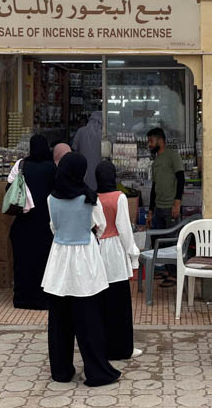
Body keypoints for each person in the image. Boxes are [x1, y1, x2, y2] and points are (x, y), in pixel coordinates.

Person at [41, 152, 120, 387]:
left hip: (59, 260)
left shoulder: (50, 199)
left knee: (59, 320)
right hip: (85, 259)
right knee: (89, 319)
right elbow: (101, 227)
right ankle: (96, 370)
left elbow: (54, 227)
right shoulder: (89, 198)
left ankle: (61, 370)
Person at [94, 161, 142, 361]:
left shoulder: (93, 197)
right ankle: (123, 348)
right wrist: (134, 256)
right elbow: (124, 230)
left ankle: (103, 347)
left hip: (97, 249)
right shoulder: (119, 197)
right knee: (119, 303)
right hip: (115, 251)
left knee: (102, 303)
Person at [9, 135, 57, 309]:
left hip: (23, 224)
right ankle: (43, 299)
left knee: (23, 262)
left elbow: (10, 188)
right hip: (45, 225)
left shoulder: (22, 165)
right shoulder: (52, 167)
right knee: (44, 262)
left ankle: (22, 299)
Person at [148, 127, 184, 287]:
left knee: (172, 241)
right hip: (158, 208)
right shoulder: (156, 161)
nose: (149, 144)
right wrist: (150, 211)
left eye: (151, 141)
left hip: (171, 207)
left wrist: (177, 202)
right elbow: (153, 187)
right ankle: (167, 270)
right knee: (160, 241)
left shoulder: (172, 156)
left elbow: (181, 179)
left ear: (160, 140)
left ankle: (175, 274)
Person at [71, 111, 103, 190]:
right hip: (99, 166)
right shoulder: (103, 134)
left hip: (83, 166)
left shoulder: (81, 131)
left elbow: (74, 148)